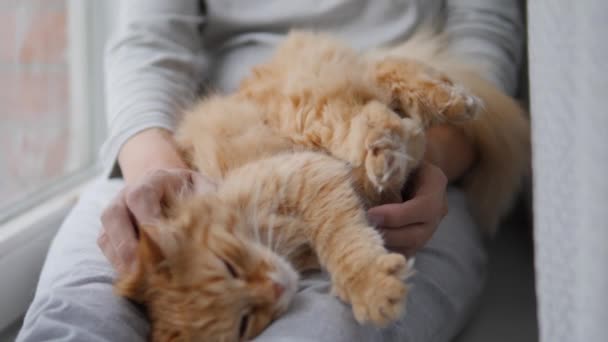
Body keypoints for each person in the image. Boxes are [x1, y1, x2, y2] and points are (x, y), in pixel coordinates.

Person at [17, 1, 523, 341]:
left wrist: (423, 157)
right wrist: (159, 175)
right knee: (76, 320)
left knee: (326, 329)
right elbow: (146, 43)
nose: (270, 291)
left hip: (406, 130)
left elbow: (484, 40)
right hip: (191, 146)